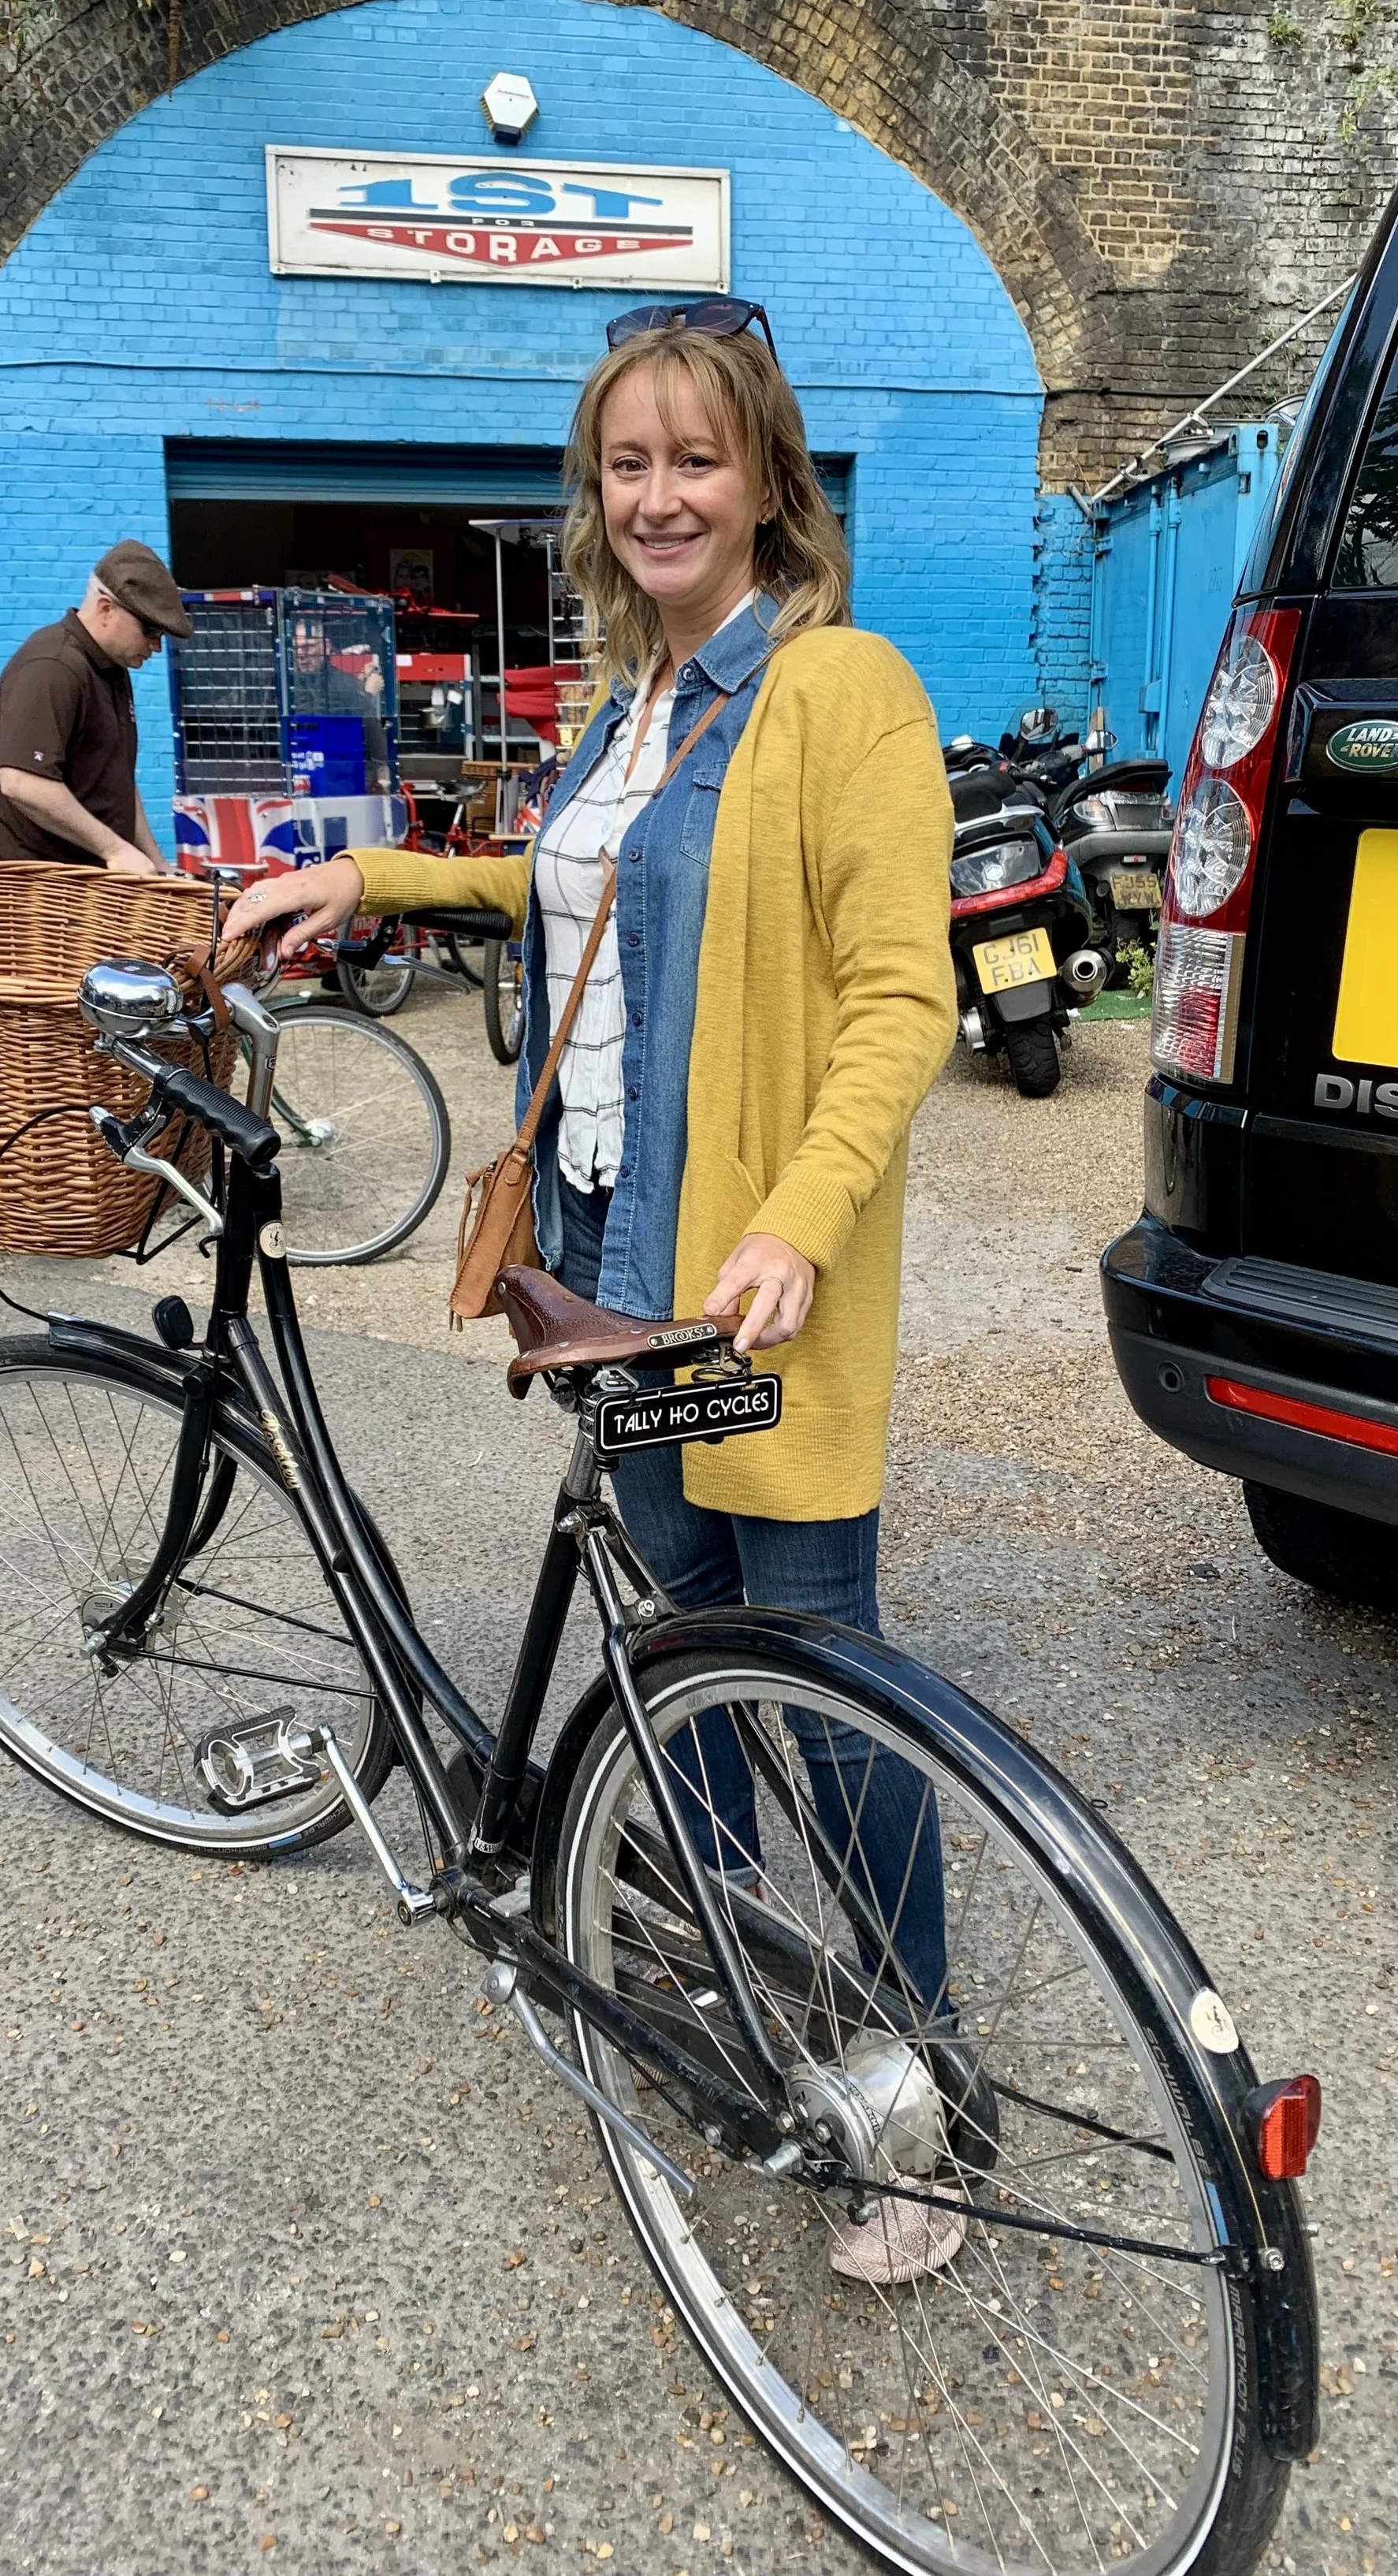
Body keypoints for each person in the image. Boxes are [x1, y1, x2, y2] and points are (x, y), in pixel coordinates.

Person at [225, 303, 961, 2276]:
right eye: (625, 464)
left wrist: (800, 1218)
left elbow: (908, 996)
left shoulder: (843, 691)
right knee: (677, 1639)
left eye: (694, 460)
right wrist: (371, 880)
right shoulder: (630, 707)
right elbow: (576, 885)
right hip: (611, 1280)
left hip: (745, 1291)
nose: (656, 496)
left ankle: (922, 2098)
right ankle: (726, 1972)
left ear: (767, 482)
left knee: (829, 1681)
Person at [0, 541, 191, 872]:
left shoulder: (112, 668)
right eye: (150, 629)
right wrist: (114, 849)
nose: (156, 646)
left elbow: (117, 780)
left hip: (77, 894)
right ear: (106, 609)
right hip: (26, 896)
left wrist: (157, 866)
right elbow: (21, 781)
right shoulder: (53, 666)